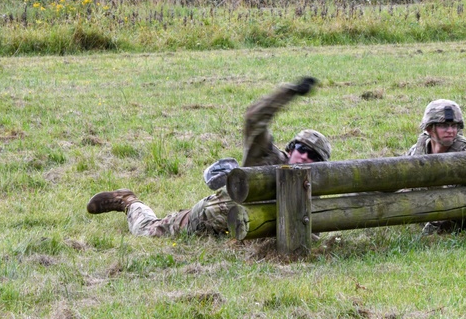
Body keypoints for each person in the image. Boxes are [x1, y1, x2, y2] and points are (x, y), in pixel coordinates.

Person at [85, 77, 331, 238]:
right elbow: (254, 118)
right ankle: (128, 201)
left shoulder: (310, 194)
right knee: (149, 231)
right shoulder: (268, 158)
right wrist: (289, 92)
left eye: (313, 156)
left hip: (231, 232)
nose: (305, 156)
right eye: (302, 148)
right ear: (291, 148)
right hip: (201, 219)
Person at [407, 99, 466, 234]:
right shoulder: (417, 150)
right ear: (429, 128)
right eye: (444, 126)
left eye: (454, 126)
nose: (450, 131)